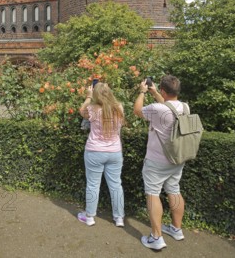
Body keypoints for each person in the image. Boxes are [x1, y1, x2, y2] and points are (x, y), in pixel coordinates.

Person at [133, 74, 187, 251]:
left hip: (157, 161)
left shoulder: (157, 109)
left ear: (164, 90)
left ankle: (156, 237)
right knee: (174, 190)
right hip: (177, 158)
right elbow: (168, 107)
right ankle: (176, 229)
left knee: (152, 194)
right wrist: (156, 92)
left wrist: (142, 92)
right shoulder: (185, 107)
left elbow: (137, 110)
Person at [77, 82, 125, 227]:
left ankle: (90, 217)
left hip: (94, 151)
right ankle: (119, 218)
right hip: (115, 152)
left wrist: (88, 96)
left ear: (96, 94)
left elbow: (81, 110)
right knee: (116, 185)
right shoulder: (119, 108)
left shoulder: (91, 109)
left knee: (92, 185)